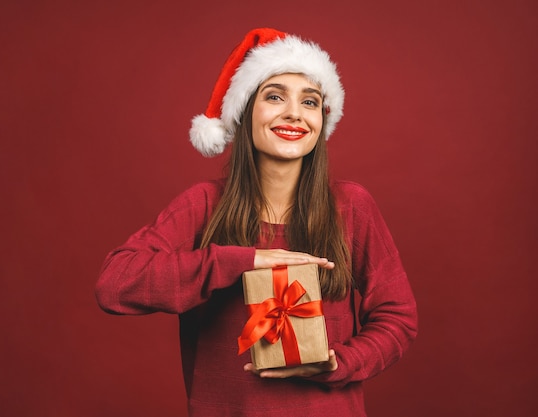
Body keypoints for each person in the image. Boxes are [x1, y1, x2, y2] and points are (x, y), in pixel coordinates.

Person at [96, 27, 418, 417]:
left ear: (322, 120)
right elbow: (115, 284)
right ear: (246, 111)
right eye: (275, 96)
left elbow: (398, 317)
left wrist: (338, 363)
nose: (294, 113)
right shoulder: (203, 204)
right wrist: (241, 262)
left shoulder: (351, 206)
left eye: (310, 101)